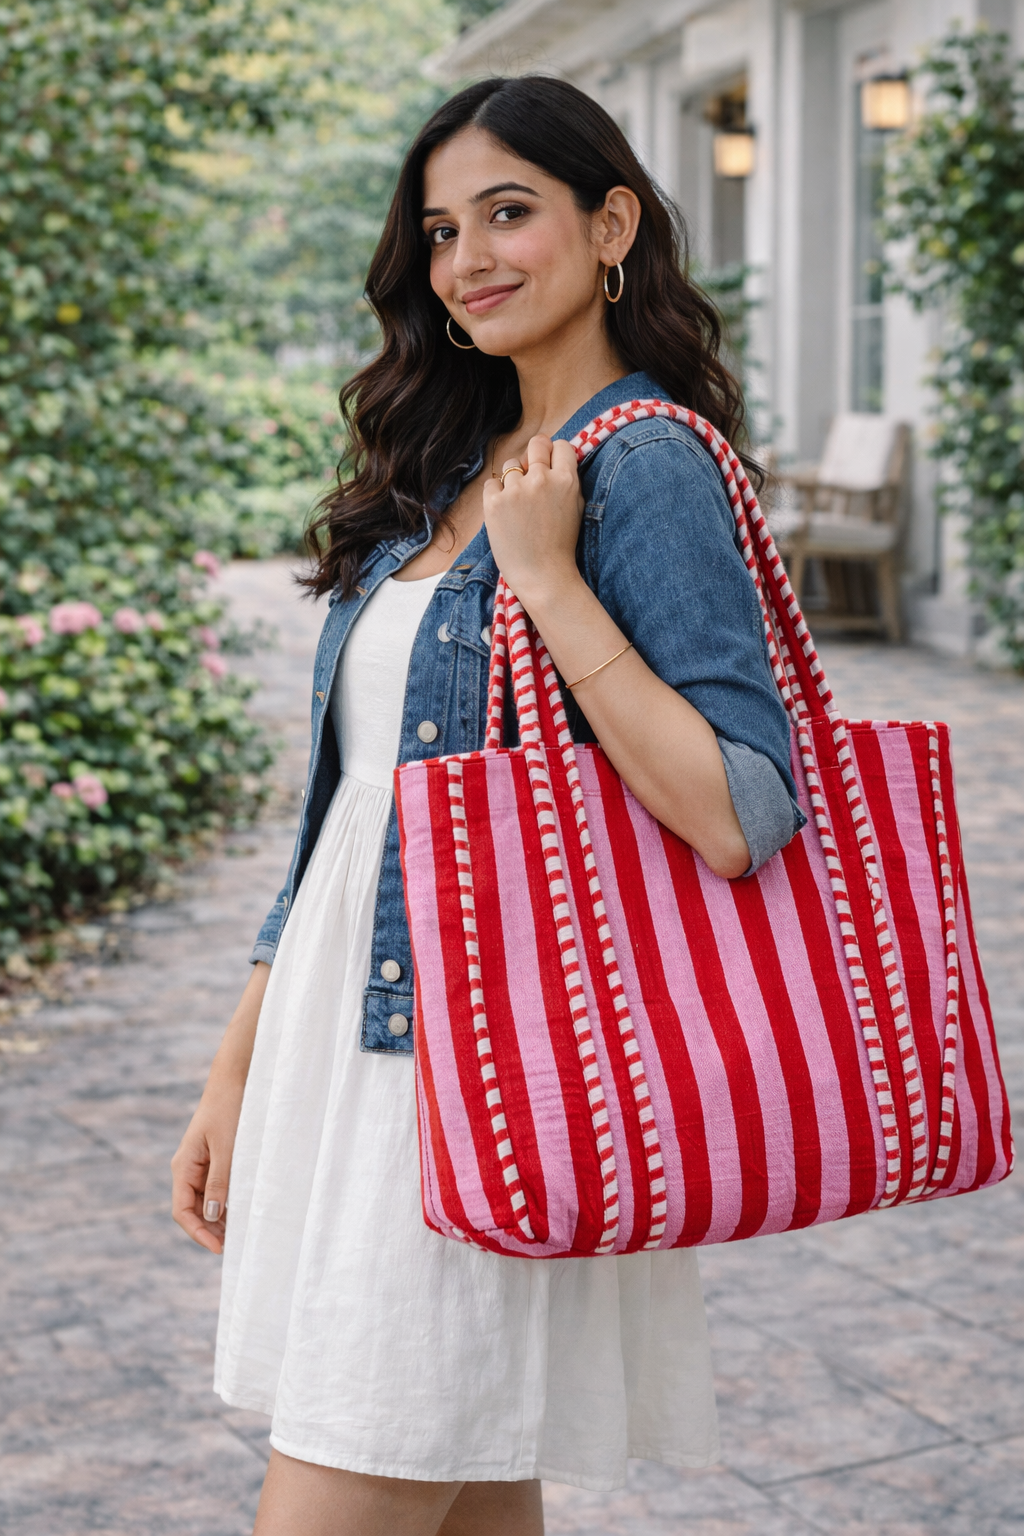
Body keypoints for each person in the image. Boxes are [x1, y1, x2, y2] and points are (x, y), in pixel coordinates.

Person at [171, 74, 804, 1536]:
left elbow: (740, 810)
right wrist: (234, 1066)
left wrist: (550, 579)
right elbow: (352, 813)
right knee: (468, 1499)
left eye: (510, 212)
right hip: (360, 1046)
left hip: (479, 1074)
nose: (470, 259)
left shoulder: (639, 466)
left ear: (613, 223)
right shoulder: (450, 467)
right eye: (443, 230)